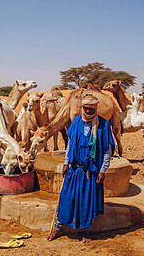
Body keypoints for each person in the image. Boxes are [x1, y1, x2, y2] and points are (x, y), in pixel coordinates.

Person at [47, 94, 115, 242]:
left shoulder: (103, 125)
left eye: (91, 109)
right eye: (86, 108)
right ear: (82, 108)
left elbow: (107, 151)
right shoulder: (77, 121)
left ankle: (86, 232)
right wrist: (66, 163)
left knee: (86, 202)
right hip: (74, 169)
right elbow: (69, 145)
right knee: (66, 198)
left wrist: (102, 170)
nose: (88, 112)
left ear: (95, 108)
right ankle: (58, 229)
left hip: (91, 172)